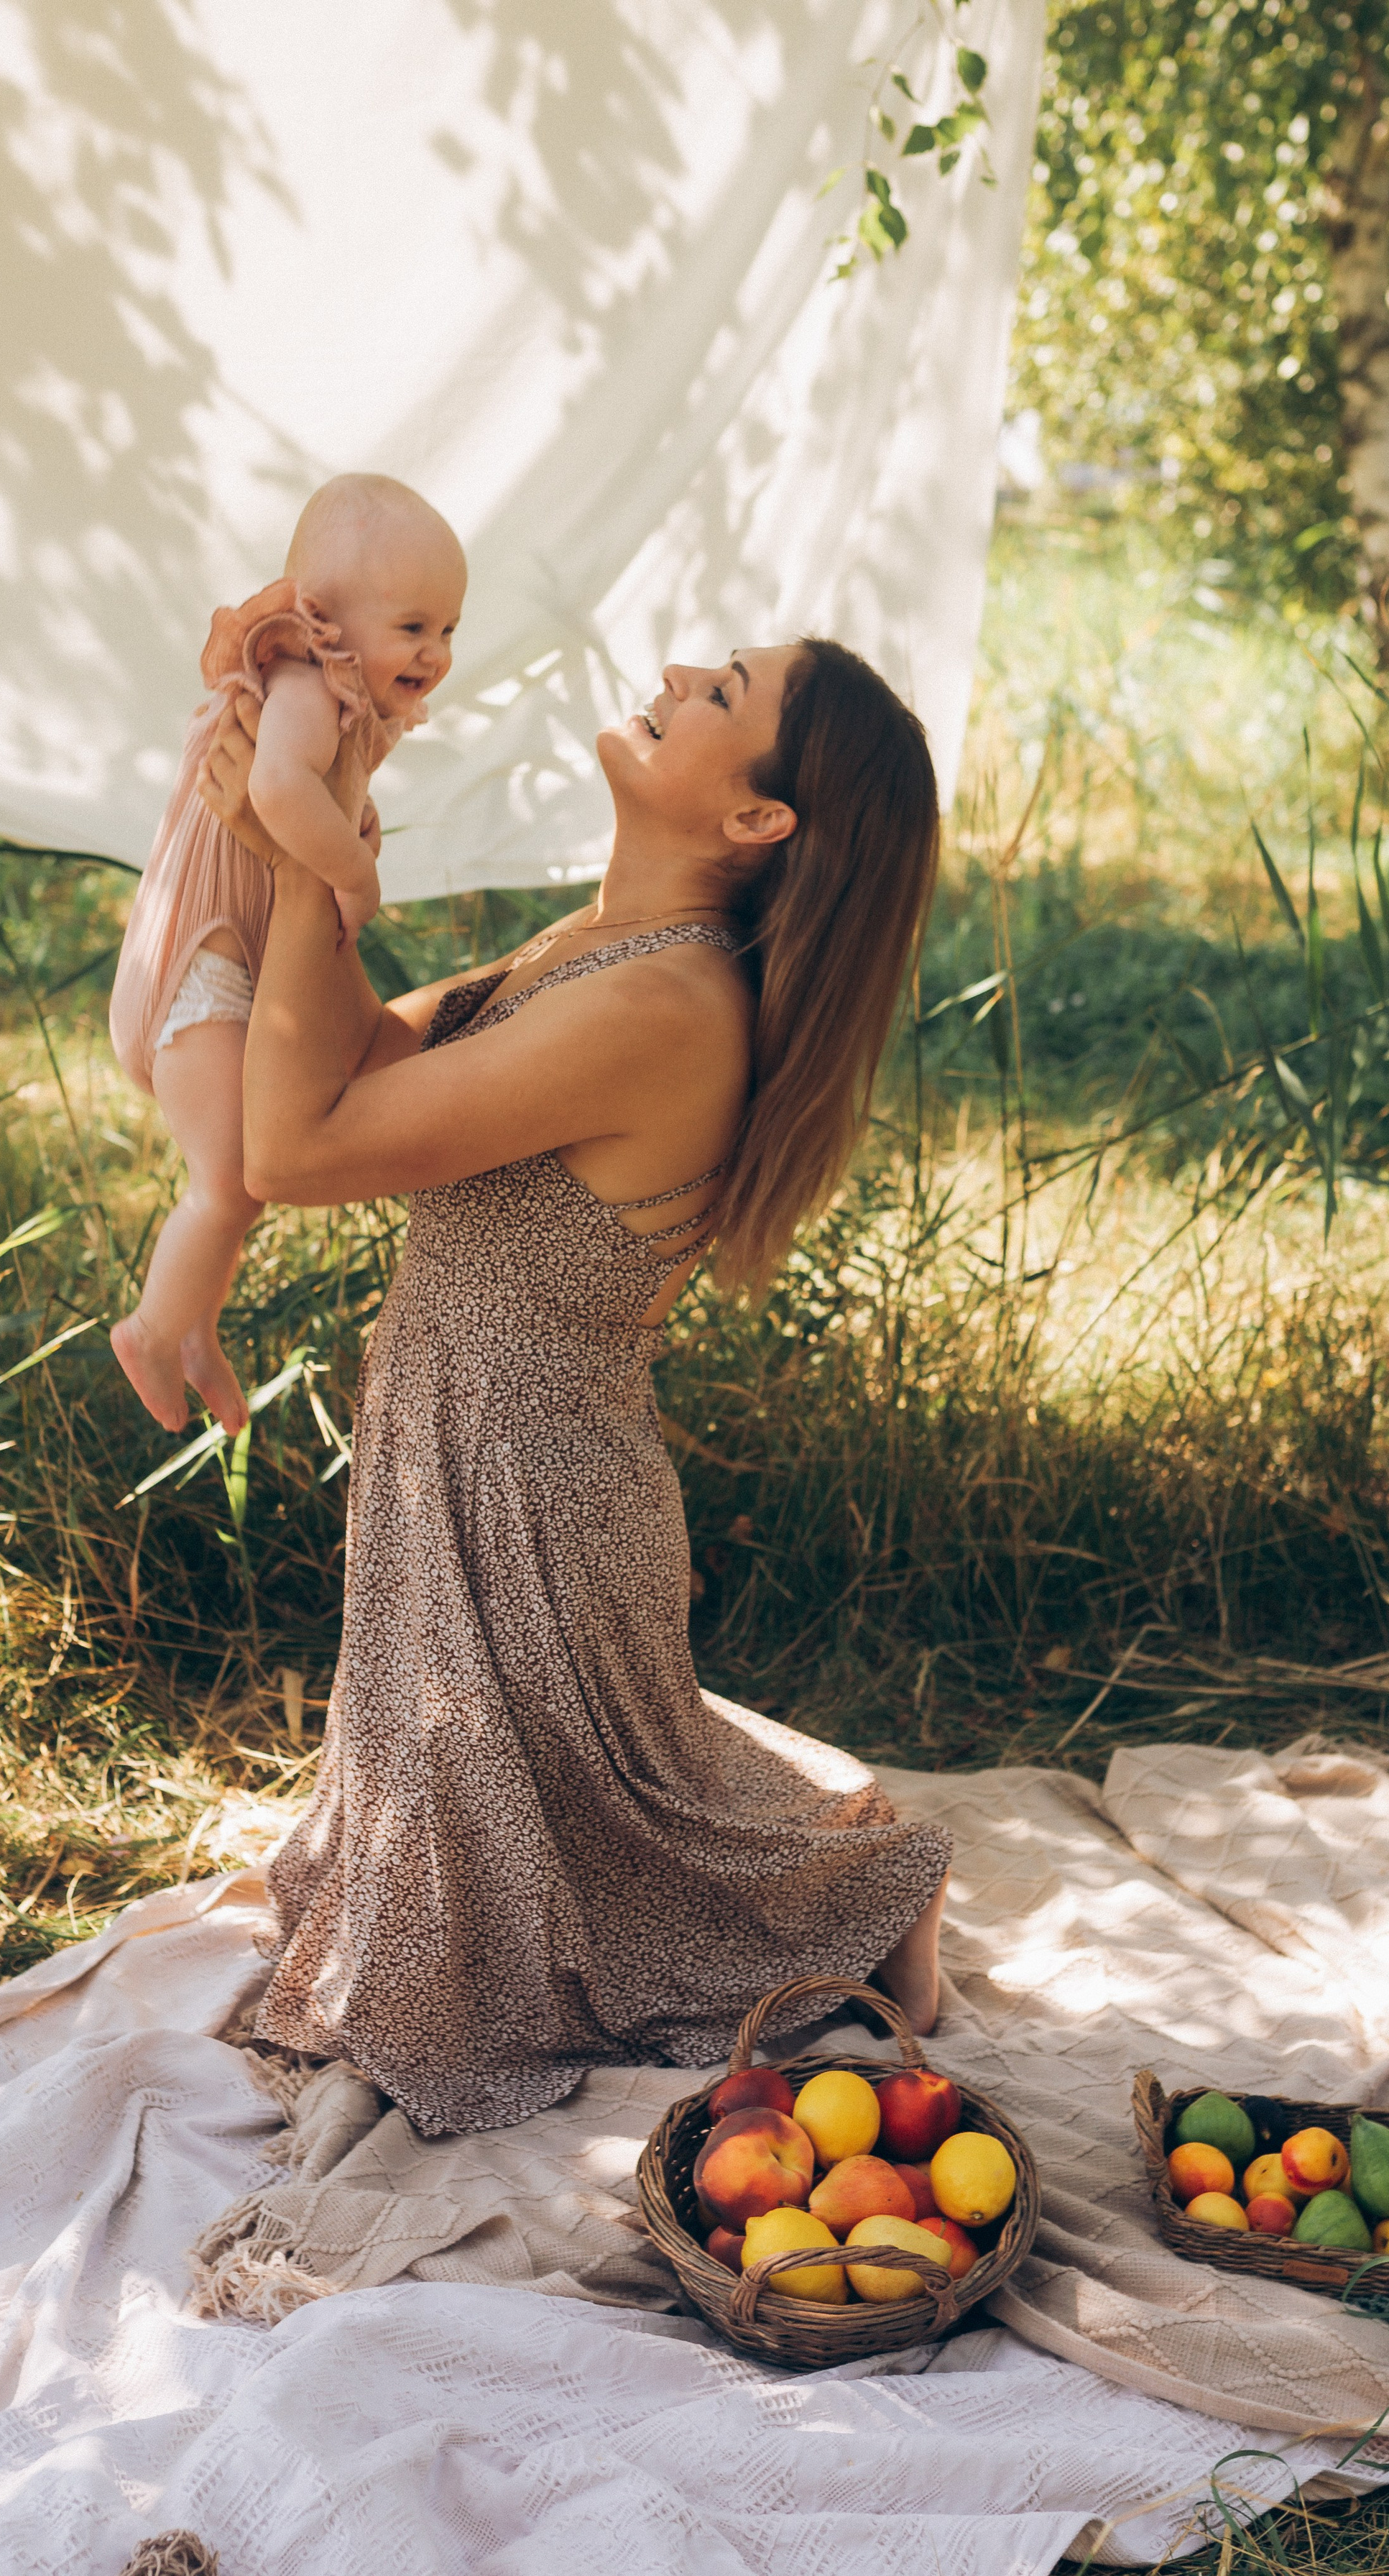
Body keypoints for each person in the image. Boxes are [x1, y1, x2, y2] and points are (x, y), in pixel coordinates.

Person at [197, 636, 952, 2138]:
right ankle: (830, 1868)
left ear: (756, 821)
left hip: (530, 1500)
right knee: (525, 1840)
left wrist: (302, 855)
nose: (678, 666)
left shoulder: (666, 1004)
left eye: (722, 691)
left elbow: (293, 1151)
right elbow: (345, 1054)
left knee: (510, 1909)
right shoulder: (592, 947)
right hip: (475, 1457)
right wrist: (326, 801)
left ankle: (858, 1900)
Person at [107, 475, 467, 1438]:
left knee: (247, 1186)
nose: (434, 654)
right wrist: (354, 868)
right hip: (201, 958)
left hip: (222, 956)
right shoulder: (305, 683)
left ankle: (193, 1328)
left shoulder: (336, 699)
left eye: (448, 632)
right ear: (327, 621)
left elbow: (313, 787)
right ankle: (148, 1329)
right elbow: (275, 787)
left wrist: (348, 811)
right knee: (230, 1181)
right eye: (413, 627)